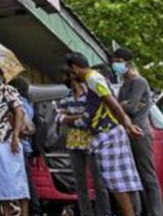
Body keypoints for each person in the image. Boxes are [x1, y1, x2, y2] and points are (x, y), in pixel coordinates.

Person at [66, 53, 143, 216]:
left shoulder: (94, 79)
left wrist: (128, 125)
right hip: (105, 134)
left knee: (116, 181)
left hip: (109, 134)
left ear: (74, 69)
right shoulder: (92, 79)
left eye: (70, 72)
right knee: (118, 180)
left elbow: (113, 104)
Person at [112, 48, 163, 216]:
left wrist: (123, 105)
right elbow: (119, 107)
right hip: (127, 133)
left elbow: (131, 108)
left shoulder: (139, 82)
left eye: (119, 60)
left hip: (140, 133)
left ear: (128, 62)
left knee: (148, 176)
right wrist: (123, 105)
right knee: (134, 178)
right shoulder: (125, 85)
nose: (115, 64)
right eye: (114, 60)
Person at [57, 69, 111, 216]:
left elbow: (88, 118)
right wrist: (77, 117)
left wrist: (71, 117)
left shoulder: (89, 96)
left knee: (99, 182)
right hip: (73, 142)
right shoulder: (66, 97)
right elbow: (59, 118)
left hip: (91, 141)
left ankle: (104, 212)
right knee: (80, 183)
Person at [0, 66, 30, 216]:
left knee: (16, 179)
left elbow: (20, 111)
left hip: (7, 141)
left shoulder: (8, 90)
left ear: (1, 77)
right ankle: (7, 212)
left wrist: (15, 135)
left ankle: (24, 213)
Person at [9, 77, 41, 216]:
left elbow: (21, 125)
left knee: (24, 182)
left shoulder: (20, 104)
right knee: (24, 181)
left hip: (20, 146)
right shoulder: (28, 103)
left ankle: (33, 210)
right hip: (24, 146)